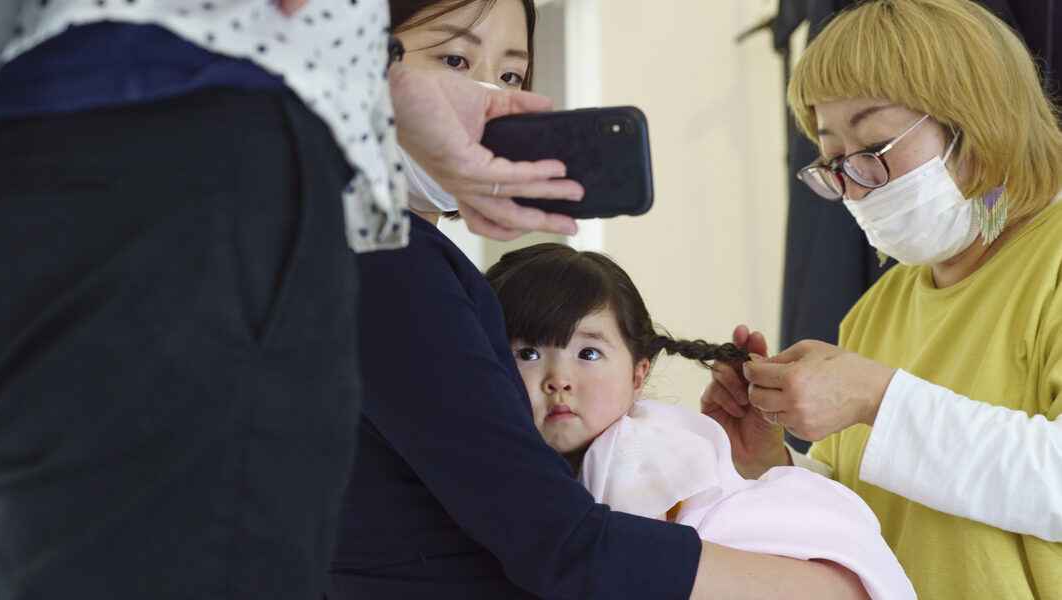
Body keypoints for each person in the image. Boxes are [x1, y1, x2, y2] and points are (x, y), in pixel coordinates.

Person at [0, 1, 582, 598]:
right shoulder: (402, 269)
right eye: (452, 58)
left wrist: (378, 87)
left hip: (21, 154)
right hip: (187, 143)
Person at [327, 0, 873, 598]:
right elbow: (559, 542)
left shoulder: (369, 252)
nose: (490, 98)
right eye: (454, 59)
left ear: (641, 373)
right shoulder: (389, 261)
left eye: (511, 75)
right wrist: (829, 590)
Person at [702, 1, 1062, 598]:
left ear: (977, 120)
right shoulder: (878, 307)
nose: (856, 187)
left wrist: (878, 397)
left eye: (873, 145)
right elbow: (865, 516)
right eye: (835, 162)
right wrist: (775, 466)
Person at [485, 242, 916, 600]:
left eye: (588, 354)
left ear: (638, 377)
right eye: (528, 354)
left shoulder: (634, 447)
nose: (559, 380)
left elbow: (626, 568)